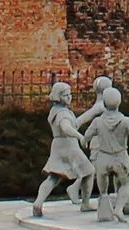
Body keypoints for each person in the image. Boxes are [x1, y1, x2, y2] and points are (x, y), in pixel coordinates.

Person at [82, 77, 129, 222]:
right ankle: (118, 209)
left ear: (104, 103)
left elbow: (87, 135)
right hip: (120, 157)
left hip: (102, 158)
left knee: (103, 190)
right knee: (126, 183)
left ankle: (104, 211)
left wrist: (84, 142)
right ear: (119, 103)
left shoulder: (97, 121)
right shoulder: (125, 121)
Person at [30, 80, 87, 215]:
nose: (69, 97)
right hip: (69, 145)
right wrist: (80, 137)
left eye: (70, 94)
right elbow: (66, 128)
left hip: (58, 146)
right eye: (65, 95)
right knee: (89, 171)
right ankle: (82, 199)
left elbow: (75, 124)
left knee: (54, 177)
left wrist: (94, 110)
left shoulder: (56, 110)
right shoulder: (62, 113)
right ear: (58, 96)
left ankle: (38, 202)